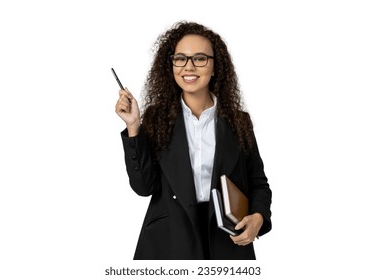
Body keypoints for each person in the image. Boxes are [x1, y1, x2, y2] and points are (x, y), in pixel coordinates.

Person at [115, 21, 272, 260]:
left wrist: (258, 217)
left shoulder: (239, 121)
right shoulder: (157, 118)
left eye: (200, 59)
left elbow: (258, 183)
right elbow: (143, 187)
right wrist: (134, 126)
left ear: (215, 66)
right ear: (171, 65)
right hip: (168, 241)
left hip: (226, 241)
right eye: (180, 58)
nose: (189, 67)